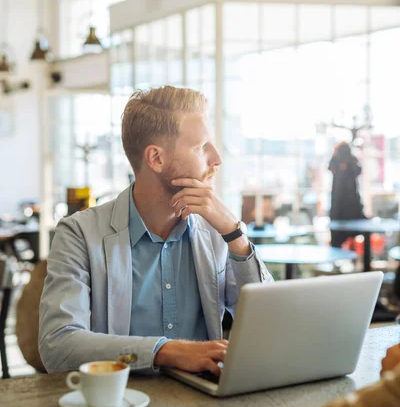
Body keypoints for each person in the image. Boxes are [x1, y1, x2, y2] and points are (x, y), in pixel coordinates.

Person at [39, 86, 273, 375]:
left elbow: (271, 325)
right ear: (156, 158)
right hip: (120, 402)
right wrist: (166, 351)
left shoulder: (219, 230)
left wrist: (235, 235)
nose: (216, 159)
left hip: (205, 403)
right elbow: (57, 345)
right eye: (201, 147)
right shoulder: (79, 234)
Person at [328, 141, 366, 248]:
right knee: (338, 237)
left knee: (352, 235)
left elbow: (358, 170)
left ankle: (353, 258)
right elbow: (330, 167)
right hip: (340, 207)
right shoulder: (336, 164)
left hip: (348, 206)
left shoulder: (351, 164)